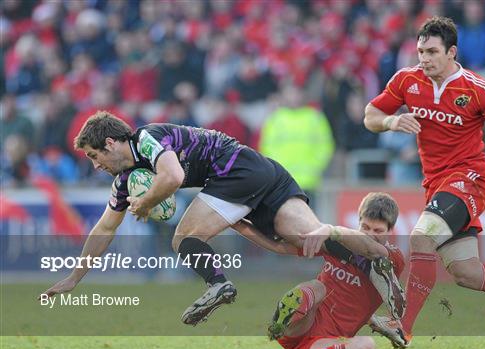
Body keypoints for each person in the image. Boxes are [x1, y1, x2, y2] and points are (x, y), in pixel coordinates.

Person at [41, 111, 403, 326]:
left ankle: (218, 284)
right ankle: (373, 260)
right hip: (262, 171)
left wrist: (146, 204)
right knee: (306, 238)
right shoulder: (124, 181)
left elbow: (173, 177)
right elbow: (104, 227)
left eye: (93, 155)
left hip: (233, 170)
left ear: (109, 143)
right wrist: (75, 277)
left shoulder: (145, 140)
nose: (95, 165)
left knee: (183, 239)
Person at [363, 16, 485, 348]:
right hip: (437, 184)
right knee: (467, 273)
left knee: (421, 237)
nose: (424, 58)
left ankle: (402, 326)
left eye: (432, 51)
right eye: (420, 51)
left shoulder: (475, 88)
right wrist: (391, 121)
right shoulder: (406, 80)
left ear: (451, 52)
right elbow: (369, 115)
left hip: (469, 179)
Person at [241, 192, 405, 349]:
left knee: (366, 347)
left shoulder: (393, 259)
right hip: (301, 325)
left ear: (390, 230)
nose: (370, 234)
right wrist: (238, 225)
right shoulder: (339, 244)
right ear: (358, 223)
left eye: (378, 230)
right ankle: (280, 323)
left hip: (325, 343)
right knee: (318, 286)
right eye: (365, 227)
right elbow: (280, 247)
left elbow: (372, 251)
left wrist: (331, 230)